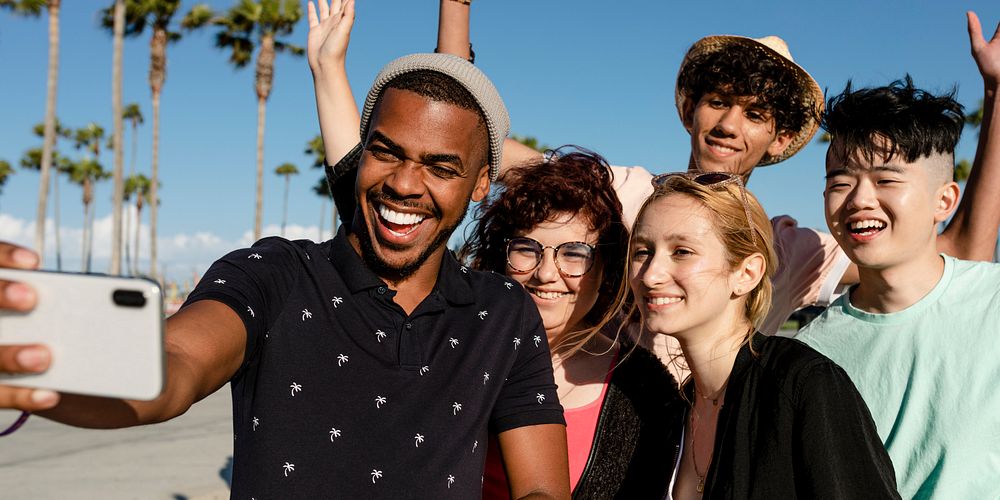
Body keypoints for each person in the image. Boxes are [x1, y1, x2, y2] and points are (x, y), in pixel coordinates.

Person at [0, 52, 572, 499]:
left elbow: (542, 486)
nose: (403, 184)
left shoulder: (502, 311)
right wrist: (42, 358)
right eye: (387, 152)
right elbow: (174, 369)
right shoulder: (275, 273)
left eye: (441, 167)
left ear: (478, 185)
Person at [315, 2, 1000, 357]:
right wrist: (456, 11)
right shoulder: (629, 193)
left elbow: (956, 256)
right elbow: (471, 140)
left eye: (755, 112)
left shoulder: (793, 250)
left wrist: (996, 100)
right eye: (719, 100)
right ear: (692, 108)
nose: (731, 123)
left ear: (778, 137)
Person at [627, 172, 898, 498]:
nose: (651, 274)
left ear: (746, 273)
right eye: (642, 251)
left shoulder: (801, 384)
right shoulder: (674, 410)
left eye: (682, 251)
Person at [795, 76, 1000, 498]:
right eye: (840, 182)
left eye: (885, 180)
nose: (858, 200)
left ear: (944, 201)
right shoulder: (810, 354)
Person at [464, 147, 679, 498]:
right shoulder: (457, 351)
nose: (546, 273)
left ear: (605, 270)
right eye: (527, 248)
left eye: (574, 253)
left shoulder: (648, 391)